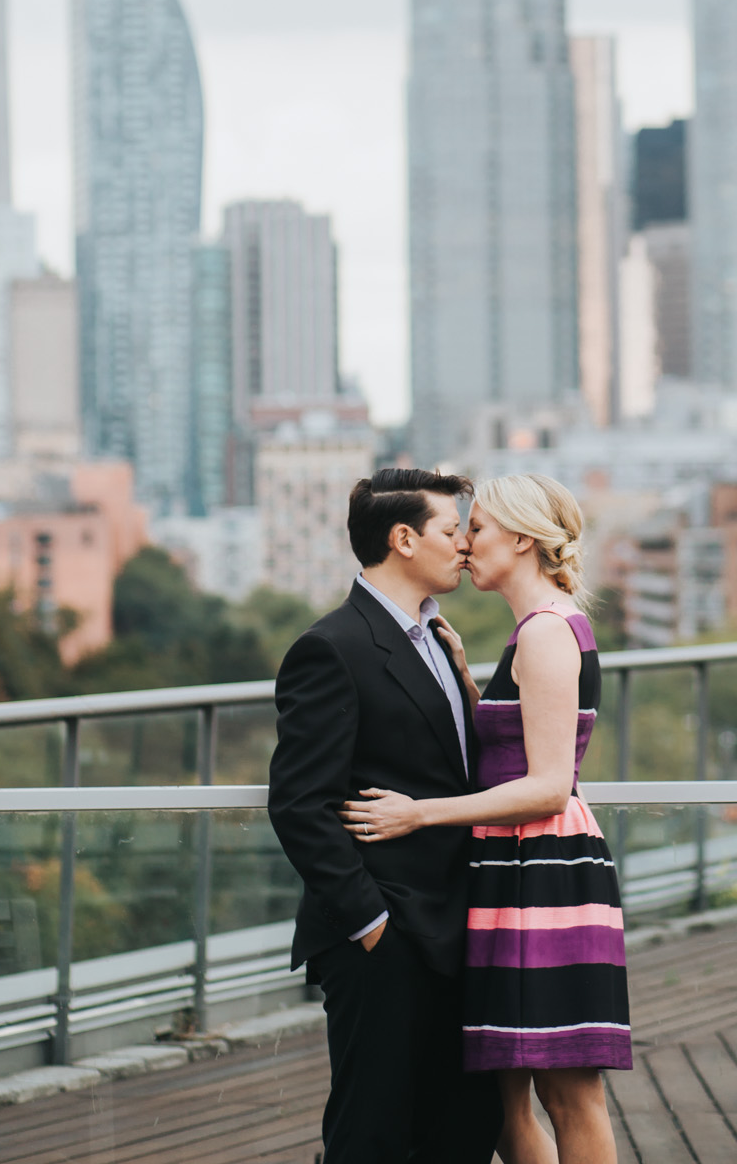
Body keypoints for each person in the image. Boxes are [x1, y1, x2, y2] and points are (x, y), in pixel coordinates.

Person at [340, 472, 630, 1164]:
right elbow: (512, 749)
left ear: (522, 539)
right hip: (510, 872)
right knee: (501, 1096)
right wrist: (470, 684)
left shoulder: (546, 633)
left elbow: (548, 786)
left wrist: (419, 815)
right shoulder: (531, 633)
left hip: (546, 873)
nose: (465, 543)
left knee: (567, 1094)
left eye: (479, 528)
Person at [267, 466, 503, 1164]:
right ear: (403, 538)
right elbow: (299, 803)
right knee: (371, 1134)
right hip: (385, 939)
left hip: (459, 928)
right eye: (450, 529)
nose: (464, 544)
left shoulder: (438, 639)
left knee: (463, 1129)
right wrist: (372, 926)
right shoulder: (331, 647)